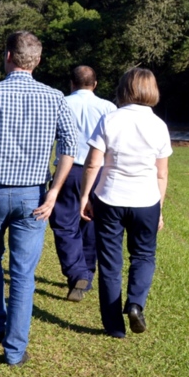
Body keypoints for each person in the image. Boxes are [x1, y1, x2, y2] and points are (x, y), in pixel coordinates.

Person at [0, 31, 77, 366]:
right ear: (38, 59)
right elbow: (70, 148)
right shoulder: (55, 98)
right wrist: (54, 192)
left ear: (7, 56)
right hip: (33, 195)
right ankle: (14, 350)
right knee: (22, 273)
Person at [79, 67, 171, 338]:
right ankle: (135, 303)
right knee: (143, 255)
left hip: (110, 197)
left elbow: (93, 163)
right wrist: (160, 209)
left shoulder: (110, 120)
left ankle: (114, 327)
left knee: (109, 262)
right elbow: (162, 173)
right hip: (146, 201)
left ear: (123, 89)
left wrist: (85, 196)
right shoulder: (159, 125)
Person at [50, 66, 116, 302]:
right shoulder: (109, 108)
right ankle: (87, 270)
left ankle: (77, 272)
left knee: (64, 223)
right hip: (98, 171)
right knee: (90, 222)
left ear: (71, 83)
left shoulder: (61, 103)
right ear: (95, 84)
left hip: (68, 170)